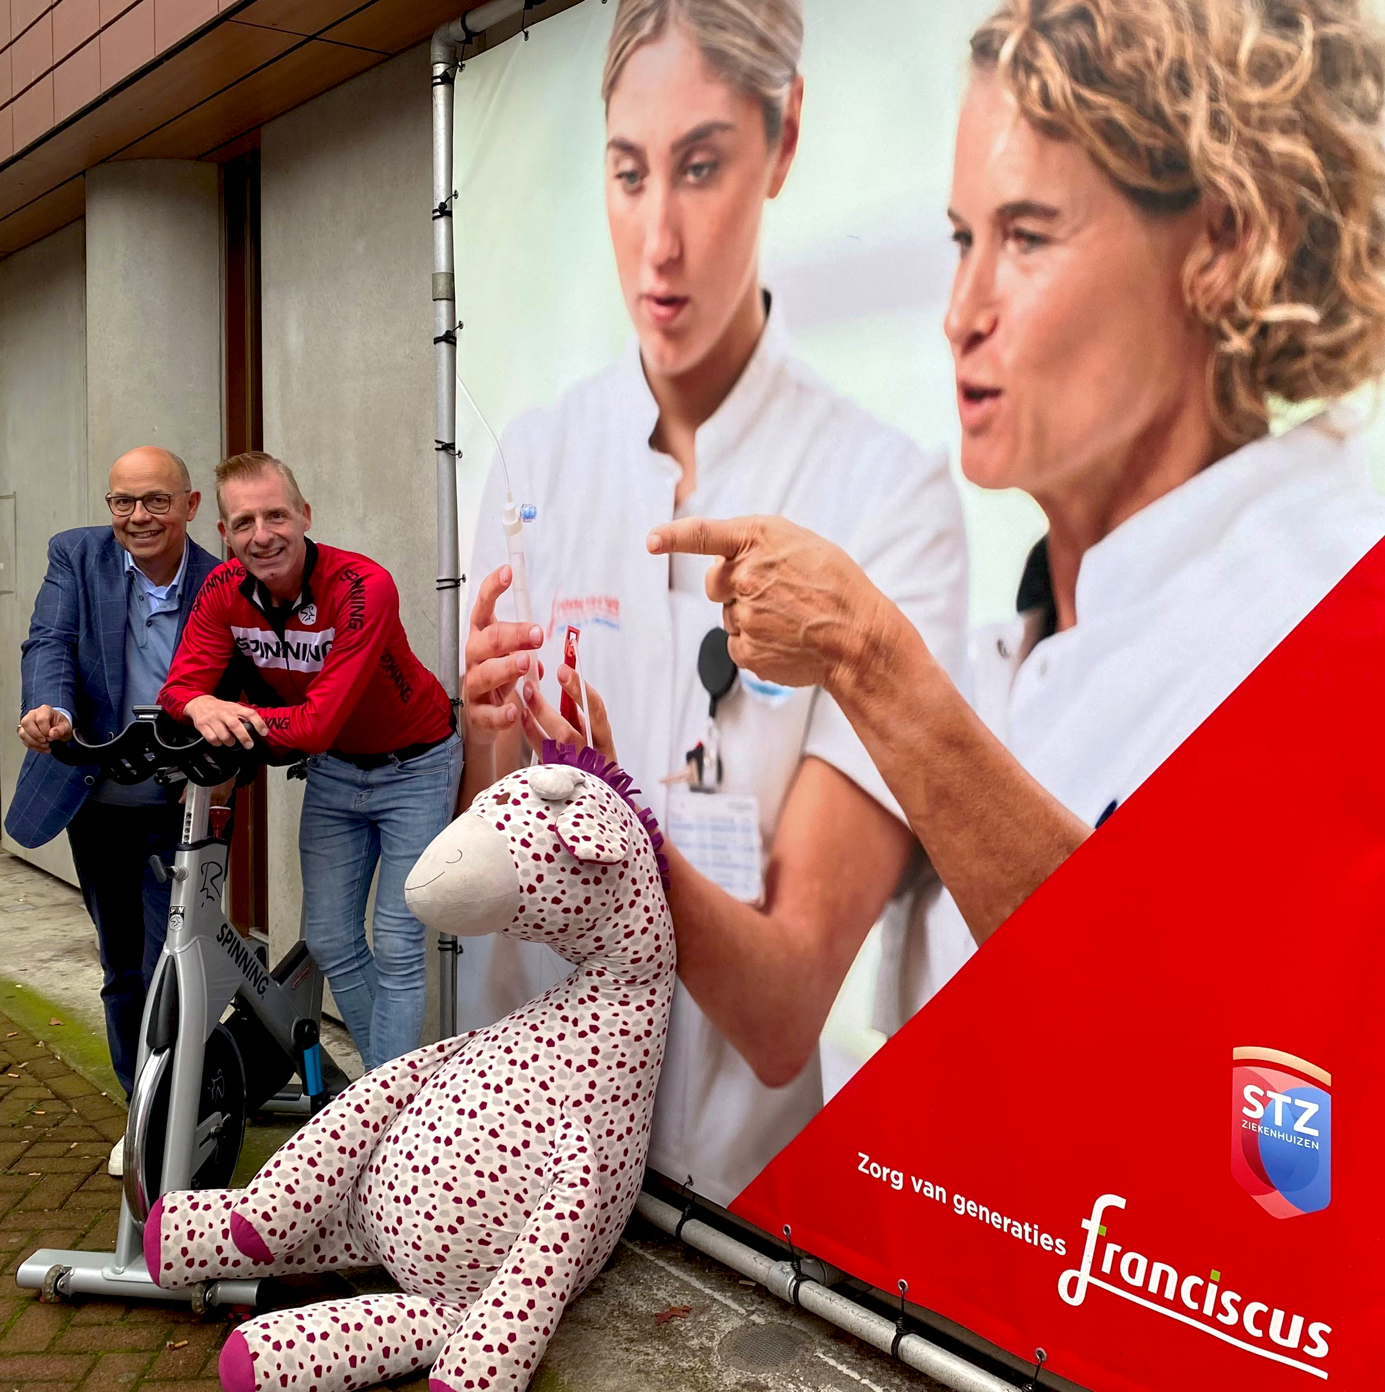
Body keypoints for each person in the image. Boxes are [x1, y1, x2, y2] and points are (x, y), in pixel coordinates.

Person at [646, 0, 1385, 1031]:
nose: (959, 312)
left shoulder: (1334, 615)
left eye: (1027, 237)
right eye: (961, 238)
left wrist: (872, 661)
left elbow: (1194, 1043)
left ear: (1223, 242)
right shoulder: (1013, 652)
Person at [461, 0, 968, 1208]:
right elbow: (484, 860)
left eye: (701, 168)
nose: (659, 244)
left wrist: (616, 811)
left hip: (743, 1200)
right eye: (630, 175)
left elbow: (789, 1011)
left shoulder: (887, 498)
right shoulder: (536, 458)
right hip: (525, 1152)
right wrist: (490, 743)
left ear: (783, 141)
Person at [158, 452, 462, 1073]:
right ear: (223, 534)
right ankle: (393, 1098)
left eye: (276, 514)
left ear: (305, 515)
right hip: (334, 772)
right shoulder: (222, 590)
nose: (261, 534)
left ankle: (390, 1116)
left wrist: (232, 715)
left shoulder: (361, 585)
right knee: (329, 940)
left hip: (417, 767)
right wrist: (199, 703)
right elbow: (178, 689)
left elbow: (318, 722)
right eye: (243, 522)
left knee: (400, 944)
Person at [5, 447, 222, 1176]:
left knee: (175, 965)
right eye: (124, 502)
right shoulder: (77, 556)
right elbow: (51, 641)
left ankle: (180, 1111)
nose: (138, 517)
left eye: (156, 501)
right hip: (94, 800)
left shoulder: (220, 579)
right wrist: (51, 708)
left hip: (179, 800)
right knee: (122, 969)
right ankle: (143, 1112)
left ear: (190, 507)